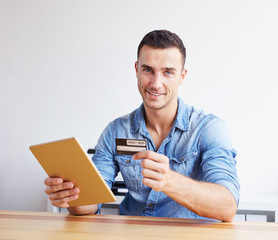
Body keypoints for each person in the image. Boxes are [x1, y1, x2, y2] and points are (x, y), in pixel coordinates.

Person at [44, 30, 240, 222]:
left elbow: (227, 207)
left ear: (182, 75)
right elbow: (90, 203)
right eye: (148, 70)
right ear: (136, 69)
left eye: (168, 72)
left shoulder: (209, 128)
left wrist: (170, 181)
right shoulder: (115, 131)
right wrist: (71, 197)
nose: (156, 83)